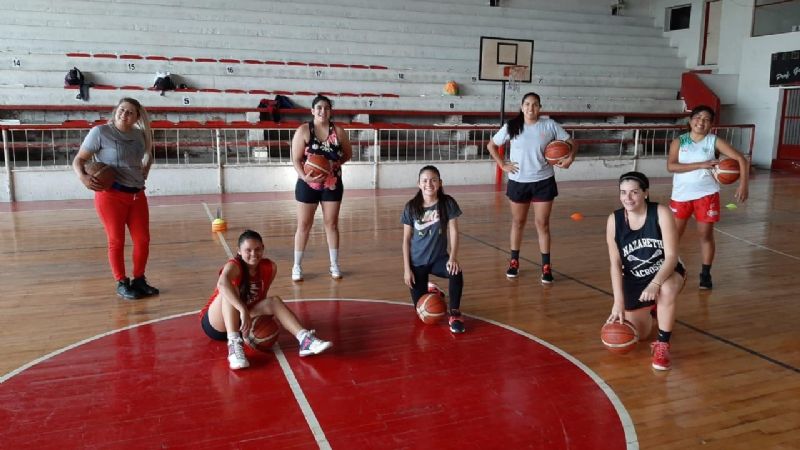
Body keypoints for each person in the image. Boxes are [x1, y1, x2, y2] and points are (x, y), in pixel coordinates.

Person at [200, 230, 332, 370]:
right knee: (231, 290)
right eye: (248, 250)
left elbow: (260, 297)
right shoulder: (234, 265)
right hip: (216, 324)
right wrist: (242, 309)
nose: (253, 254)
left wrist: (258, 324)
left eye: (257, 249)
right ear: (239, 251)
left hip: (242, 320)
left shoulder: (269, 267)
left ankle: (305, 340)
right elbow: (222, 284)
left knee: (273, 301)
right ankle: (233, 346)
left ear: (263, 248)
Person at [72, 97, 159, 300]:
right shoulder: (101, 132)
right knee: (116, 240)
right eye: (122, 110)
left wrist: (145, 169)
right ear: (116, 111)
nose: (124, 114)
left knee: (143, 240)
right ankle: (121, 282)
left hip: (137, 194)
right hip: (111, 196)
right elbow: (79, 160)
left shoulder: (139, 135)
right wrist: (83, 177)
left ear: (137, 116)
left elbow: (149, 155)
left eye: (130, 112)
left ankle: (139, 280)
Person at [486, 92, 577, 283]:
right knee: (518, 222)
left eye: (535, 104)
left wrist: (569, 158)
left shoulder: (549, 125)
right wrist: (502, 165)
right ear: (521, 106)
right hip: (519, 181)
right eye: (527, 104)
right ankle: (514, 262)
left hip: (544, 181)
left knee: (542, 224)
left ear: (540, 107)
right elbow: (491, 145)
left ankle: (546, 266)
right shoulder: (511, 126)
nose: (530, 108)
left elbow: (572, 143)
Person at [606, 172, 685, 371]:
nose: (628, 198)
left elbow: (671, 256)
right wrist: (618, 302)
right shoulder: (614, 220)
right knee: (638, 335)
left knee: (666, 290)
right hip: (635, 278)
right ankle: (653, 309)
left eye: (634, 192)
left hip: (666, 271)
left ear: (645, 193)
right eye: (623, 193)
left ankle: (662, 345)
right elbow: (615, 263)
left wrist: (655, 283)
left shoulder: (661, 213)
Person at [667, 105, 749, 289]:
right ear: (690, 121)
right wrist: (701, 164)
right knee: (673, 236)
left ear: (711, 124)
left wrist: (744, 185)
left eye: (706, 119)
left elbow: (741, 159)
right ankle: (670, 267)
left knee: (705, 235)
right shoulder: (679, 142)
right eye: (697, 117)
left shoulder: (714, 141)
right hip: (681, 195)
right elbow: (671, 166)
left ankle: (705, 274)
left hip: (706, 195)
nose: (701, 122)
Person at [290, 94, 352, 282]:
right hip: (307, 183)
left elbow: (348, 154)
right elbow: (295, 159)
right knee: (304, 225)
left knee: (331, 225)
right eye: (319, 108)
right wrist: (304, 176)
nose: (322, 111)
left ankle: (334, 264)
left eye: (326, 108)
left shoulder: (338, 131)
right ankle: (297, 266)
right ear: (312, 110)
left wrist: (332, 166)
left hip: (332, 184)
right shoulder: (303, 130)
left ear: (330, 111)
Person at [401, 165, 465, 333]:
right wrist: (407, 270)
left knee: (455, 272)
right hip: (417, 264)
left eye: (433, 180)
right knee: (421, 310)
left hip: (439, 259)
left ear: (440, 183)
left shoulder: (447, 203)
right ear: (418, 184)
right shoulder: (411, 207)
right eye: (425, 180)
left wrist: (453, 257)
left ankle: (455, 313)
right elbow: (406, 240)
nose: (429, 183)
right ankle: (432, 290)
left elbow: (454, 231)